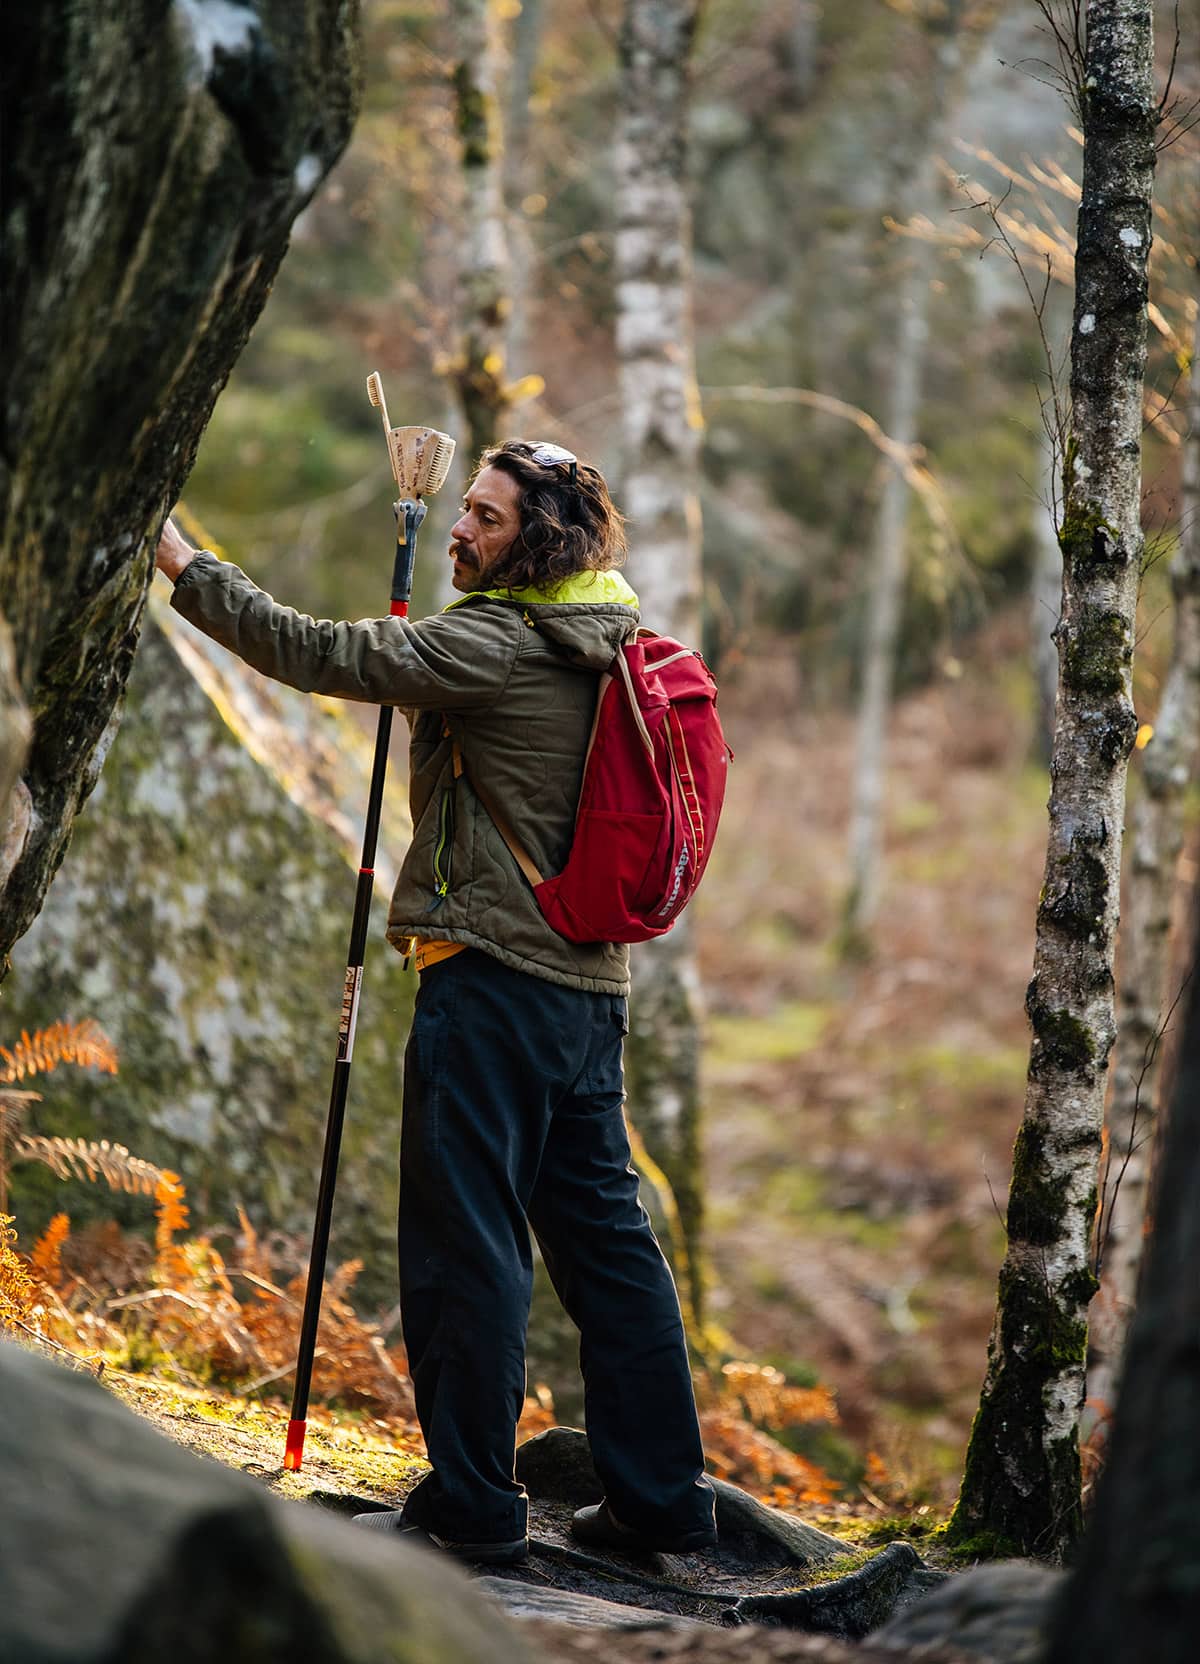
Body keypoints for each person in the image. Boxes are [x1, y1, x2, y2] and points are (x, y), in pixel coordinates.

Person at [155, 440, 717, 1565]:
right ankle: (662, 1502)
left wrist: (174, 555)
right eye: (463, 509)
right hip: (588, 992)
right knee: (609, 1245)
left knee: (468, 1246)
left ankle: (472, 1504)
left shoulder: (498, 642)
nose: (461, 529)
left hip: (490, 983)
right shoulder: (610, 641)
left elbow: (317, 650)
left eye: (487, 517)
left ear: (536, 541)